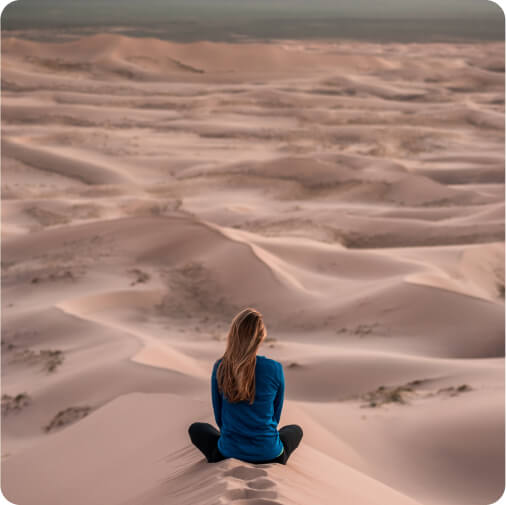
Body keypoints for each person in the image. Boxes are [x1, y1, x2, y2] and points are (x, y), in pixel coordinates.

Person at [188, 308, 303, 465]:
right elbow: (275, 417)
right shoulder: (275, 368)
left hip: (228, 452)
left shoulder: (221, 367)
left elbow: (219, 418)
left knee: (197, 429)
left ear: (233, 335)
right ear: (261, 337)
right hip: (270, 454)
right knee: (294, 430)